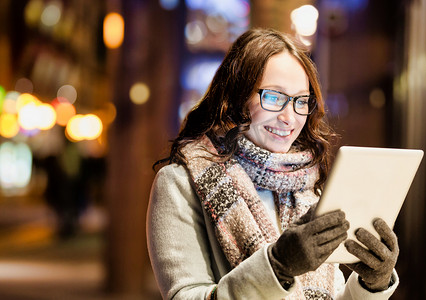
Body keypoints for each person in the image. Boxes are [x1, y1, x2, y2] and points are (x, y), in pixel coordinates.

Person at [146, 28, 399, 300]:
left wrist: (372, 286)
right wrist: (277, 266)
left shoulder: (304, 185)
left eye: (301, 101)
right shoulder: (180, 182)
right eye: (274, 97)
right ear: (236, 97)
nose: (289, 118)